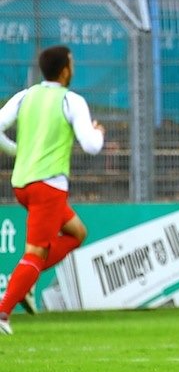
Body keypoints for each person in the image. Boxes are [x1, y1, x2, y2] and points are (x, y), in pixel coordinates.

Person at [0, 45, 105, 335]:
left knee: (77, 233)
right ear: (65, 71)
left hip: (22, 185)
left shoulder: (25, 96)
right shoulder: (71, 101)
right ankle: (3, 310)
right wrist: (98, 132)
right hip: (48, 187)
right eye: (72, 63)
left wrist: (16, 150)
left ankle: (25, 281)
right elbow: (92, 146)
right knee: (35, 253)